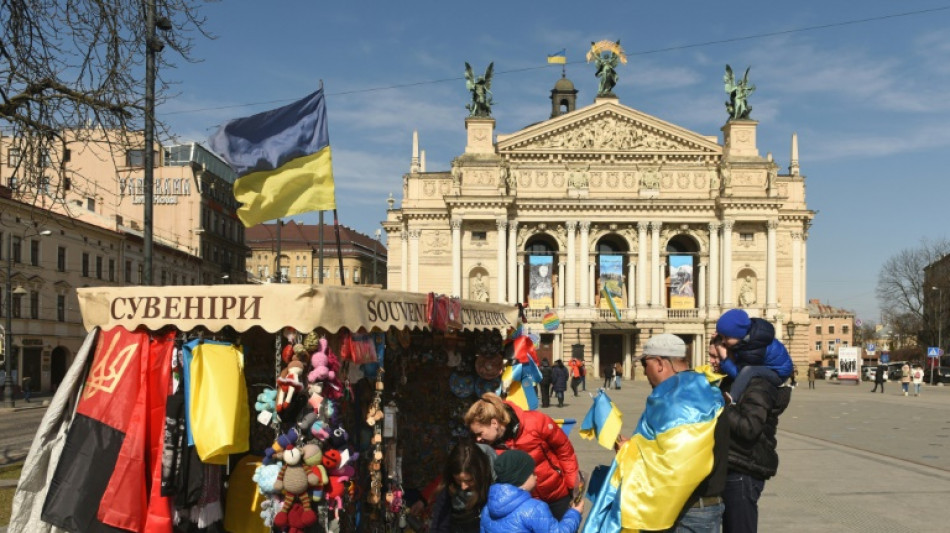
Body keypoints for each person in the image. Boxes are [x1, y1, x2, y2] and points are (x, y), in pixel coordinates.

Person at [584, 334, 727, 532]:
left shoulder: (681, 398)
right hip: (699, 508)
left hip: (686, 513)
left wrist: (629, 453)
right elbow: (669, 447)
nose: (644, 371)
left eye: (645, 364)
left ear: (659, 363)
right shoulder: (699, 387)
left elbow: (676, 465)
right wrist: (632, 447)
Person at [709, 336, 791, 533]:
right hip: (732, 465)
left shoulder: (757, 384)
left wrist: (719, 405)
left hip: (743, 470)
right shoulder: (732, 381)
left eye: (716, 356)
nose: (711, 361)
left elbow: (749, 427)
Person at [465, 392, 579, 519]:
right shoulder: (487, 448)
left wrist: (572, 485)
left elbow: (564, 450)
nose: (478, 439)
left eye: (480, 433)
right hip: (524, 504)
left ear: (494, 423)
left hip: (557, 494)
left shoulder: (536, 421)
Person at [481, 450, 583, 533]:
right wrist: (574, 513)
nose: (536, 476)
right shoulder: (535, 508)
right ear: (521, 477)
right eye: (532, 472)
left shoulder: (487, 508)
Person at [716, 308, 793, 402]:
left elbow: (740, 375)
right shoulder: (750, 338)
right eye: (721, 337)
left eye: (726, 337)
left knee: (749, 370)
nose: (723, 341)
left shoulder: (754, 350)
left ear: (739, 335)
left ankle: (732, 398)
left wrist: (725, 358)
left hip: (778, 374)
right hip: (771, 368)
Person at [429, 439, 493, 533]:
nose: (463, 486)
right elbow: (439, 523)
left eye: (469, 481)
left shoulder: (494, 489)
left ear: (481, 474)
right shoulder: (449, 487)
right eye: (458, 480)